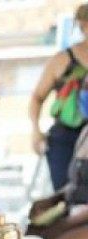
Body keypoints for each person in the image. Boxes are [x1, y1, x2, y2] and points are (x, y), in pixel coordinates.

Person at [29, 3, 88, 190]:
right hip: (66, 137)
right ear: (82, 24)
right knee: (67, 196)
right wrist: (36, 131)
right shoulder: (62, 60)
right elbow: (37, 97)